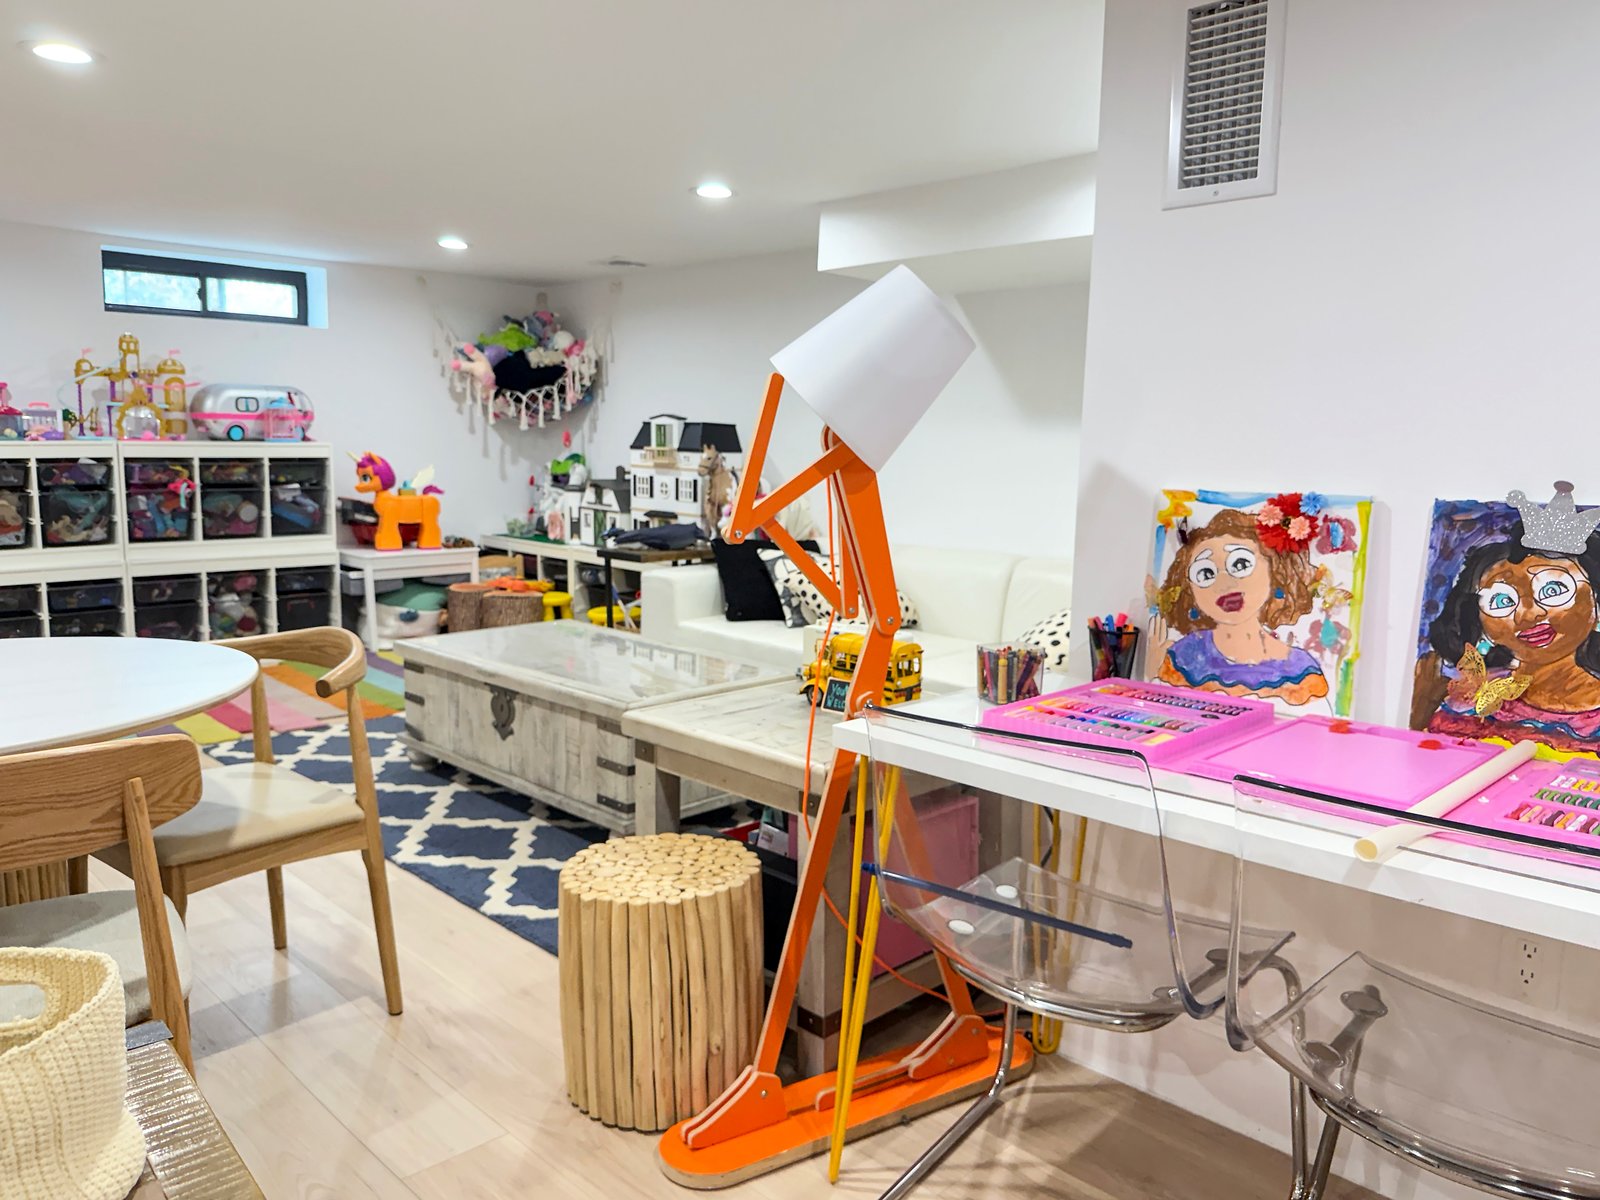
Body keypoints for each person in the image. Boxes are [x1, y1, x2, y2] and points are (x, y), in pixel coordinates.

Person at [1412, 486, 1600, 752]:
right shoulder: (1466, 710)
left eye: (1553, 590)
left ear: (1596, 601)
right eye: (1502, 601)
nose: (1528, 615)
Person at [1149, 505, 1329, 707]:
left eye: (1241, 565)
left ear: (1274, 569)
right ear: (1190, 590)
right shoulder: (1181, 658)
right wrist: (1152, 673)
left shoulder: (1301, 671)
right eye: (1206, 573)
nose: (1225, 584)